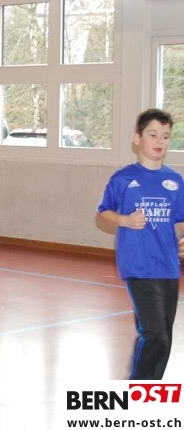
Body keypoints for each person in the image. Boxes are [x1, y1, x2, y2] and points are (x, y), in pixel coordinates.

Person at [97, 108, 184, 380]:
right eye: (153, 135)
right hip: (138, 266)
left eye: (166, 136)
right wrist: (125, 220)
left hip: (168, 267)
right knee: (156, 335)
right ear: (138, 138)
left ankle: (146, 390)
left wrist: (182, 239)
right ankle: (137, 394)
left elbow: (179, 221)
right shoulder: (123, 179)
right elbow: (104, 212)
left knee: (160, 337)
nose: (160, 141)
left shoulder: (175, 181)